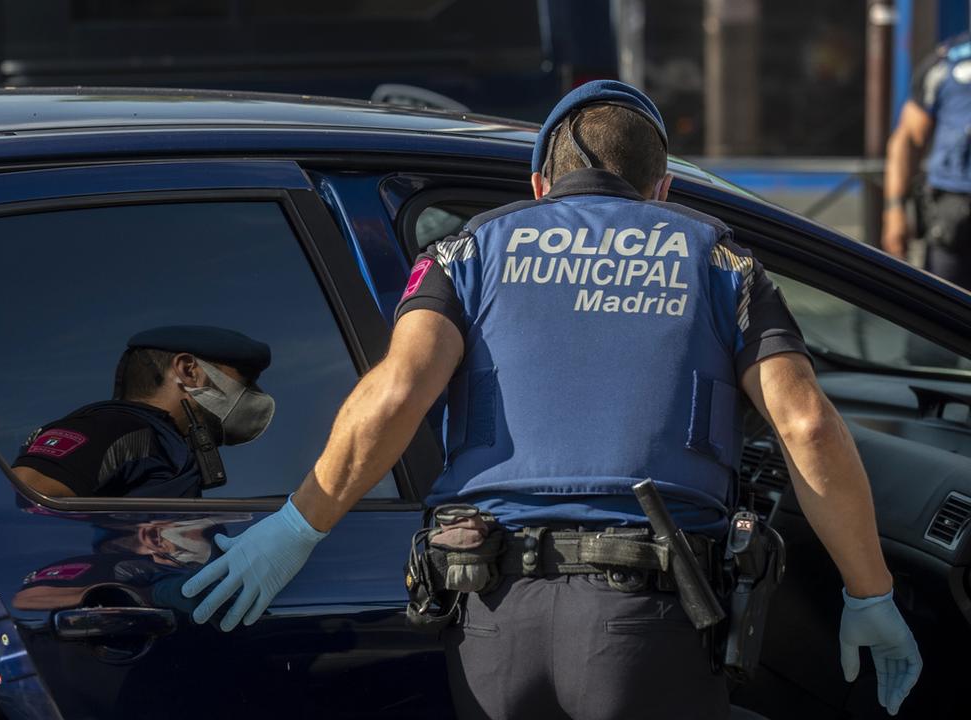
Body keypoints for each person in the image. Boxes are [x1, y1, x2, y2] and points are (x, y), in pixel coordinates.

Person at [182, 81, 922, 718]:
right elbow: (806, 428)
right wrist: (869, 593)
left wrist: (295, 530)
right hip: (647, 620)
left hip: (492, 619)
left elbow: (398, 391)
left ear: (538, 183)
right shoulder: (720, 260)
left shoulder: (463, 252)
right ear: (662, 189)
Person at [11, 325, 274, 498]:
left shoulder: (164, 442)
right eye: (246, 380)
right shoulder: (114, 427)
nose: (253, 392)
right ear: (188, 371)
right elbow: (25, 494)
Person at [885, 31, 971, 288]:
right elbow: (908, 138)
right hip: (954, 218)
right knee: (945, 316)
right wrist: (894, 209)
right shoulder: (948, 63)